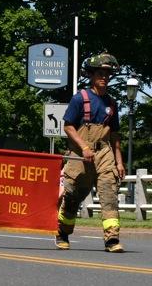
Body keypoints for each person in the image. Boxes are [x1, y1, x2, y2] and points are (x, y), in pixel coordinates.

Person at [56, 52, 125, 253]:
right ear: (92, 75)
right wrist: (84, 147)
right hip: (80, 154)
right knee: (72, 196)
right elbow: (68, 126)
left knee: (109, 194)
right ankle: (63, 232)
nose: (105, 77)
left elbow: (115, 137)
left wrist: (119, 162)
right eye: (100, 73)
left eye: (107, 74)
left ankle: (112, 239)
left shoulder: (111, 104)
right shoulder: (80, 98)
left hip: (104, 154)